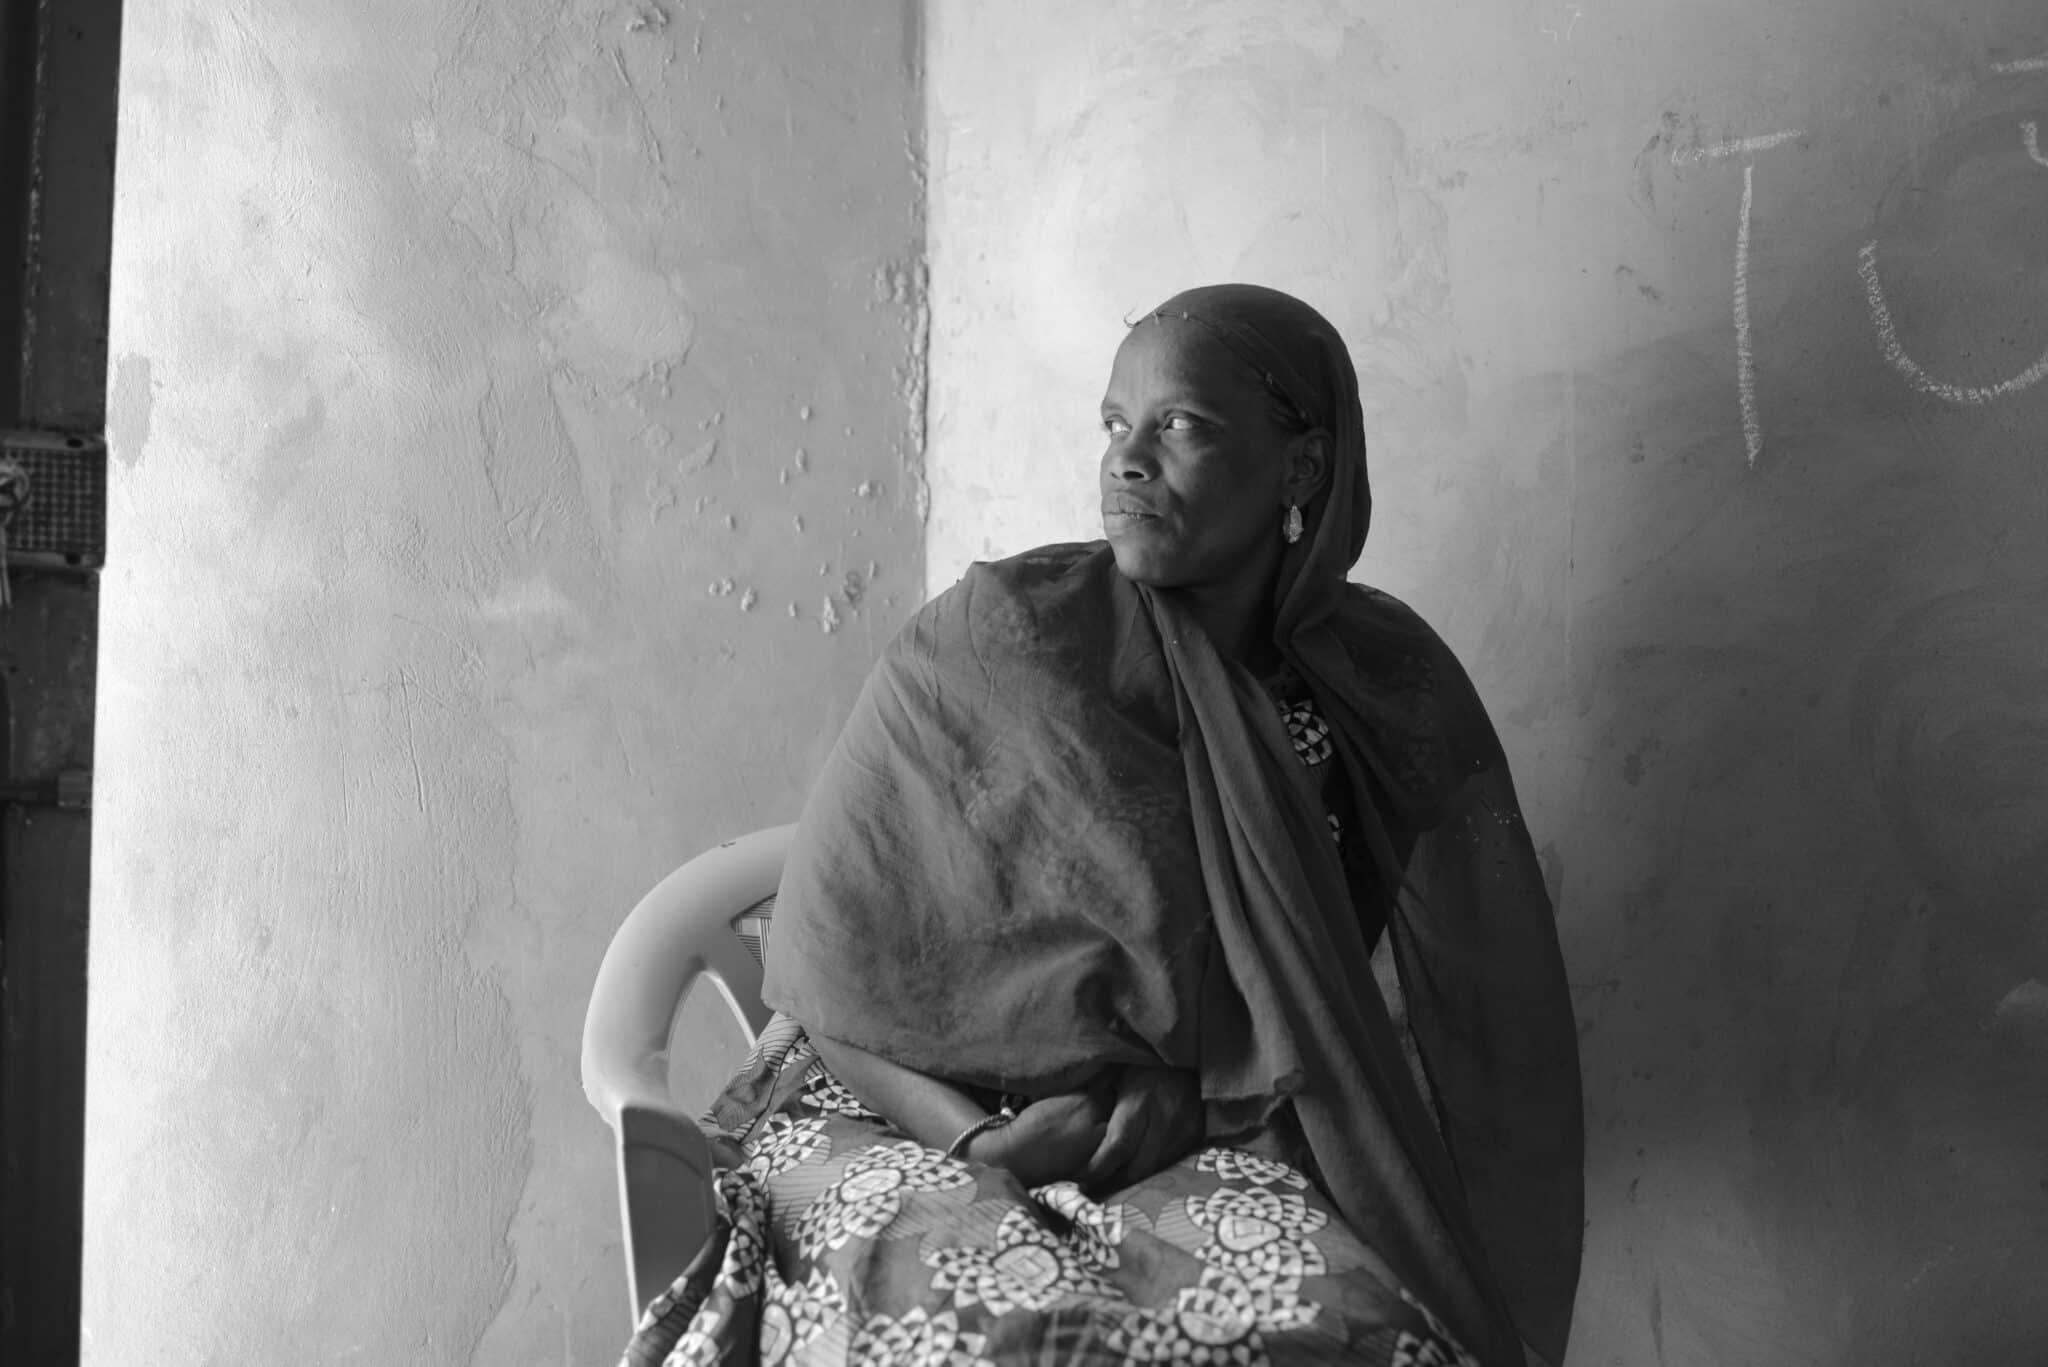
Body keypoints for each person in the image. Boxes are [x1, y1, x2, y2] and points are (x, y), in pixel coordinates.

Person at [621, 285, 1583, 1367]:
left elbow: (1304, 982)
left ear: (1303, 467)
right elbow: (824, 968)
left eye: (1180, 424)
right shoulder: (1008, 635)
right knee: (1013, 1338)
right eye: (1115, 424)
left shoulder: (1366, 687)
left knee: (1360, 1330)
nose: (1125, 459)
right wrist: (978, 1139)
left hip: (1185, 1118)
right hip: (887, 1106)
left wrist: (1182, 1091)